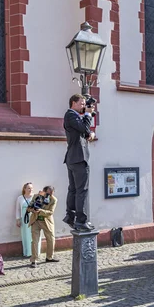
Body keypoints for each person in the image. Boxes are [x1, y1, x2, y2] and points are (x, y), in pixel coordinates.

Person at [63, 93, 96, 232]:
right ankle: (81, 221)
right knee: (81, 190)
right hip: (78, 158)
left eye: (84, 104)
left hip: (73, 158)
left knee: (73, 189)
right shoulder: (71, 115)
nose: (83, 106)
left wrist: (89, 134)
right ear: (73, 103)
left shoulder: (73, 116)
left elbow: (83, 131)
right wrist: (88, 115)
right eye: (81, 104)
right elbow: (84, 128)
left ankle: (70, 216)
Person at [28, 186, 58, 268]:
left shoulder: (53, 200)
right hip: (35, 220)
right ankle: (34, 260)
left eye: (51, 193)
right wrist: (32, 210)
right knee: (35, 241)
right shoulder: (36, 196)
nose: (50, 195)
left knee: (51, 239)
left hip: (47, 221)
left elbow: (50, 212)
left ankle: (49, 257)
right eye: (48, 193)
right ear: (44, 191)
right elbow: (29, 208)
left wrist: (40, 211)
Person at [16, 182, 40, 258]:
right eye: (29, 188)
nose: (30, 190)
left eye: (31, 188)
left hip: (34, 218)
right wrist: (18, 219)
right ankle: (27, 252)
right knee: (26, 235)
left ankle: (36, 252)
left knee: (35, 235)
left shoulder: (35, 196)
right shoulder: (20, 198)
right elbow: (18, 209)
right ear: (25, 189)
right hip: (25, 219)